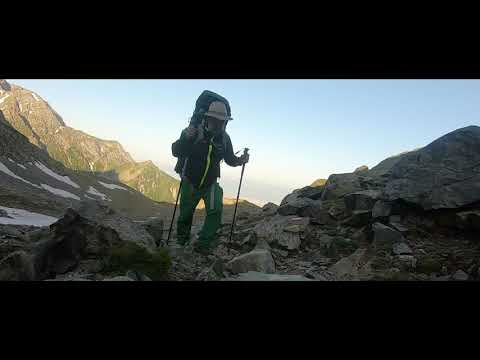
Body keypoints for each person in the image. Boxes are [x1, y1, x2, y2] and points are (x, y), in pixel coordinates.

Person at [171, 96, 249, 254]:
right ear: (208, 118)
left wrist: (241, 160)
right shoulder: (192, 132)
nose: (219, 123)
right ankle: (182, 242)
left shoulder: (225, 138)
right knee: (185, 215)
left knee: (215, 211)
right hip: (190, 181)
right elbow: (176, 151)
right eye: (216, 119)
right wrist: (187, 138)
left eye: (222, 121)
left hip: (210, 183)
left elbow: (229, 159)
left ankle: (203, 245)